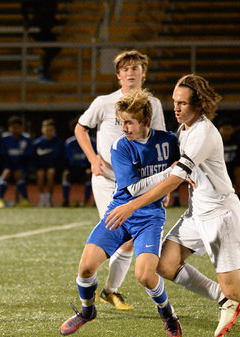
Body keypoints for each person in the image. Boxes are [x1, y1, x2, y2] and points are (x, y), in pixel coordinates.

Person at [105, 74, 240, 337]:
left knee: (236, 288)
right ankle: (223, 299)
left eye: (182, 103)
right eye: (174, 102)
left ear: (199, 104)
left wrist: (132, 204)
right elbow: (177, 171)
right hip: (197, 213)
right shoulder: (184, 130)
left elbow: (175, 177)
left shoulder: (203, 132)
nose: (176, 108)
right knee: (165, 265)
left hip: (220, 215)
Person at [59, 89, 182, 337]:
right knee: (86, 268)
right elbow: (134, 188)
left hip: (150, 216)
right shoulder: (120, 146)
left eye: (129, 122)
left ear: (145, 122)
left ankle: (167, 313)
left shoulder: (169, 141)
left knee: (145, 276)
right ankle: (87, 311)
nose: (123, 128)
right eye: (120, 122)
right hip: (120, 210)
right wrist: (170, 174)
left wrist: (172, 182)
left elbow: (185, 170)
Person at [74, 49, 166, 310]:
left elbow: (159, 143)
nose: (130, 73)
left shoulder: (153, 104)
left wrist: (162, 186)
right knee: (120, 233)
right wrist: (93, 158)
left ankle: (110, 291)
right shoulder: (104, 102)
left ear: (144, 74)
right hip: (108, 180)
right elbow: (80, 128)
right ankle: (99, 288)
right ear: (118, 75)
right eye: (125, 69)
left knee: (128, 239)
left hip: (140, 184)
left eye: (135, 68)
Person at [0, 116, 32, 208]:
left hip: (21, 165)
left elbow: (27, 156)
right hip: (8, 165)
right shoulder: (5, 139)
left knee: (18, 174)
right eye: (13, 127)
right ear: (9, 128)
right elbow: (3, 156)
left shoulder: (26, 139)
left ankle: (25, 200)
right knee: (6, 173)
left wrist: (19, 168)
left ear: (21, 128)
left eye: (17, 127)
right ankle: (0, 199)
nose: (15, 130)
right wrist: (10, 167)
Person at [21, 0, 60, 82]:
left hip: (45, 29)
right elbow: (24, 5)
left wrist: (57, 22)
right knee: (52, 50)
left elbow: (48, 16)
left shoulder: (53, 3)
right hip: (38, 28)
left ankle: (43, 68)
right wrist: (26, 19)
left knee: (55, 49)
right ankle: (43, 73)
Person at [32, 118, 65, 207]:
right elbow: (34, 158)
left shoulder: (59, 142)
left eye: (50, 130)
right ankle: (42, 197)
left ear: (54, 130)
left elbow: (61, 157)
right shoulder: (37, 143)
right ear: (42, 129)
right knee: (40, 175)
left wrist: (59, 167)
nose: (48, 132)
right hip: (40, 164)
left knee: (50, 174)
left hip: (53, 165)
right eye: (46, 129)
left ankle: (48, 197)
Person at [62, 118, 93, 207]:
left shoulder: (92, 142)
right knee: (65, 176)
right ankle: (66, 201)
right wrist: (67, 169)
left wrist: (89, 168)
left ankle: (87, 201)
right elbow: (66, 159)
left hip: (86, 168)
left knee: (93, 176)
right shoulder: (69, 143)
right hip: (73, 168)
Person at [217, 118, 240, 204]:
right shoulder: (215, 141)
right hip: (218, 167)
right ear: (219, 130)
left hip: (234, 166)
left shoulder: (239, 141)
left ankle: (239, 197)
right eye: (224, 129)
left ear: (232, 130)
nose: (226, 131)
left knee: (239, 171)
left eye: (228, 129)